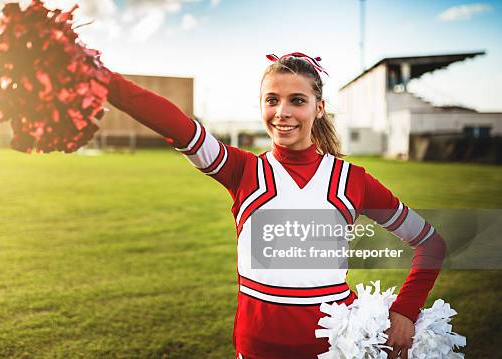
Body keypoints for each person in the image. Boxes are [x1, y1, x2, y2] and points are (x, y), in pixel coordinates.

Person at [101, 52, 446, 359]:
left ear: (319, 107)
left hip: (334, 349)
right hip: (257, 347)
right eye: (272, 100)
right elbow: (178, 126)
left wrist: (405, 311)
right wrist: (102, 78)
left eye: (297, 100)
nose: (282, 112)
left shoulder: (351, 181)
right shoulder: (242, 171)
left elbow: (430, 243)